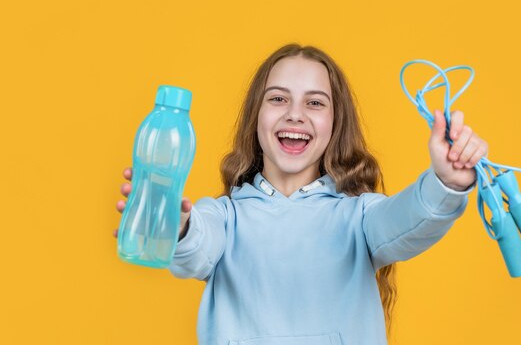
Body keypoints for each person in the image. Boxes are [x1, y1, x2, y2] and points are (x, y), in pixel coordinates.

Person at [115, 44, 488, 345]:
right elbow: (195, 247)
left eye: (315, 102)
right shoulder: (223, 218)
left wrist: (446, 182)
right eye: (278, 99)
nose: (295, 114)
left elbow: (408, 219)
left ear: (334, 124)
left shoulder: (359, 219)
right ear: (255, 117)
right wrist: (176, 228)